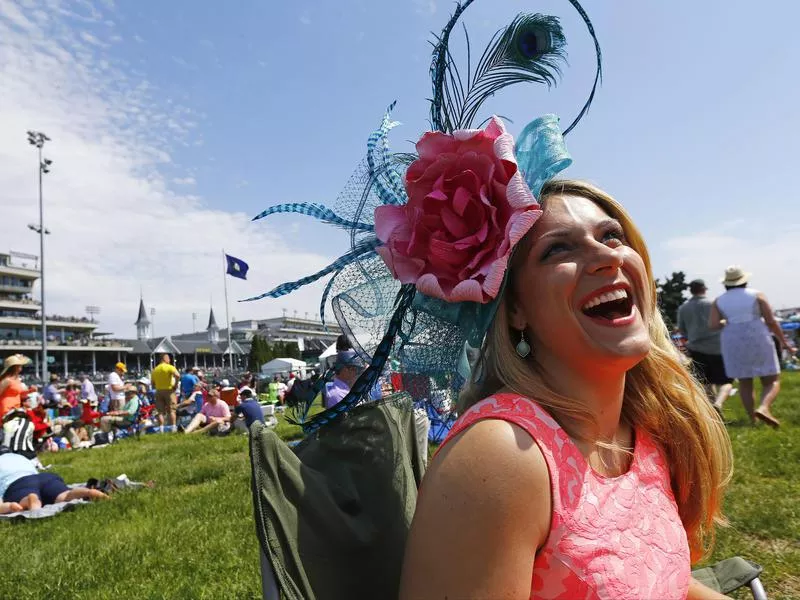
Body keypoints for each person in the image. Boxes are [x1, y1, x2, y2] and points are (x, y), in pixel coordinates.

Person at [399, 181, 732, 599]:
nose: (607, 255)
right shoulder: (502, 457)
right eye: (558, 249)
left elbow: (664, 582)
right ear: (516, 309)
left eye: (611, 235)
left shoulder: (644, 432)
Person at [710, 266, 793, 427]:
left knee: (744, 381)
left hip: (732, 338)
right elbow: (771, 321)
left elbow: (713, 324)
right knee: (771, 379)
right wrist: (784, 341)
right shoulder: (757, 295)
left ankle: (752, 419)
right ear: (744, 280)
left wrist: (727, 321)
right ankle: (764, 407)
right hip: (757, 335)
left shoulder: (718, 300)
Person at [677, 279, 734, 411]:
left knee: (706, 381)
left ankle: (713, 411)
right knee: (727, 381)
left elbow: (682, 330)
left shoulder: (683, 308)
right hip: (718, 347)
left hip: (696, 348)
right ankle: (718, 403)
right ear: (704, 289)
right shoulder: (713, 303)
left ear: (691, 290)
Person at [0, 450, 107, 514]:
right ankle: (87, 492)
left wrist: (8, 506)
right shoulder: (19, 457)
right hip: (45, 477)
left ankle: (29, 500)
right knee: (65, 495)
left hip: (19, 484)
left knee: (24, 496)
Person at [0, 354, 37, 418]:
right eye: (20, 365)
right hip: (7, 408)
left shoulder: (16, 379)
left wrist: (30, 390)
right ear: (15, 366)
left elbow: (18, 393)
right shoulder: (7, 380)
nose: (21, 366)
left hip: (15, 407)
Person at [150, 354, 180, 430]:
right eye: (169, 358)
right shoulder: (169, 367)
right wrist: (175, 385)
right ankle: (173, 427)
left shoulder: (155, 369)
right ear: (165, 359)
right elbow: (177, 375)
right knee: (172, 410)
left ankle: (161, 429)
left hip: (158, 391)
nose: (169, 360)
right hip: (169, 390)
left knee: (160, 412)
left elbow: (152, 384)